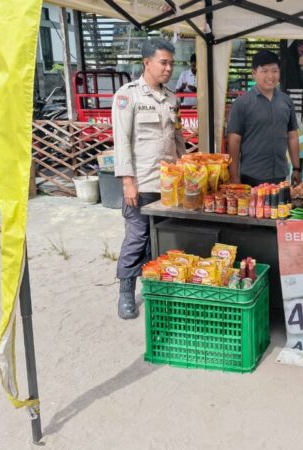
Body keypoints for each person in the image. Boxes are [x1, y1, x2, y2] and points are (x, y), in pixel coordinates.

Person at [111, 37, 186, 320]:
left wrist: (186, 168)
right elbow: (122, 141)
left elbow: (177, 138)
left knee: (160, 239)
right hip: (141, 183)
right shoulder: (127, 96)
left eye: (171, 63)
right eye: (163, 62)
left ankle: (155, 288)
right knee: (137, 237)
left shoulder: (172, 98)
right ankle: (126, 293)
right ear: (147, 62)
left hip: (168, 184)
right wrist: (127, 181)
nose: (168, 68)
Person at [226, 50, 301, 186]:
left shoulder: (286, 101)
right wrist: (234, 177)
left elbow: (292, 136)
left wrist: (296, 168)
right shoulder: (242, 103)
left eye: (274, 71)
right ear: (254, 73)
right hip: (251, 177)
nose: (270, 76)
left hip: (280, 175)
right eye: (264, 71)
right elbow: (234, 141)